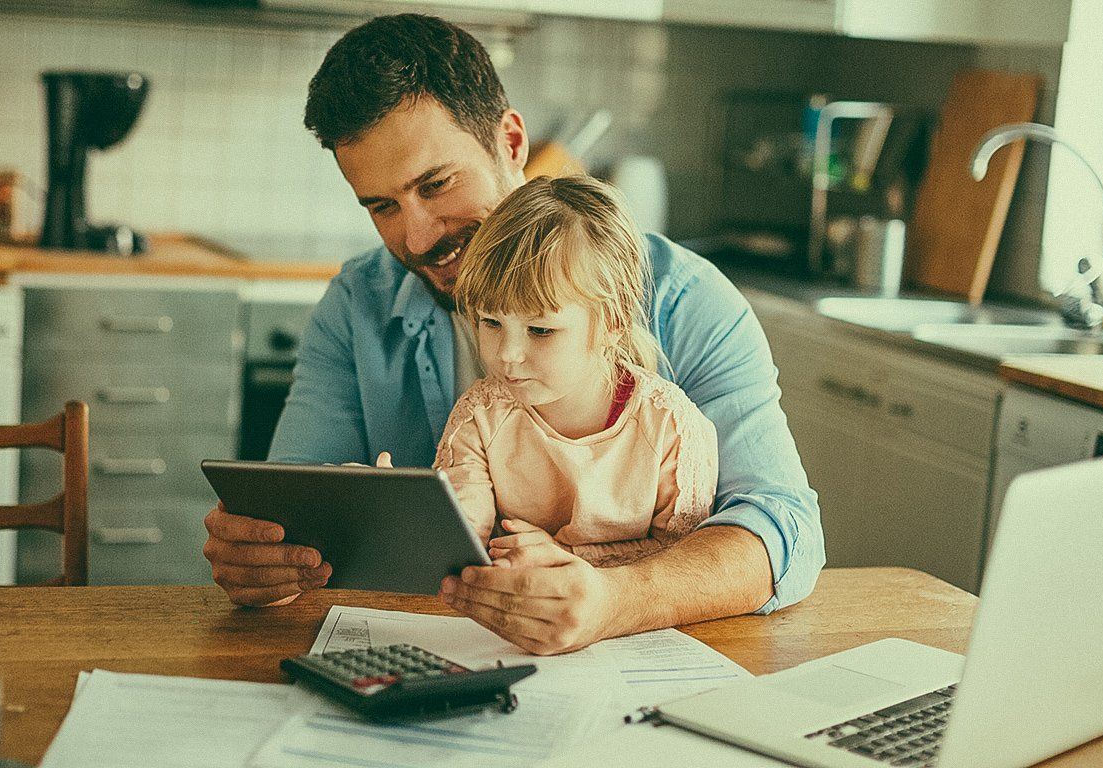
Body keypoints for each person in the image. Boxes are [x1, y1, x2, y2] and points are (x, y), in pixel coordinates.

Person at [203, 13, 824, 654]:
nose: (415, 239)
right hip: (429, 664)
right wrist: (263, 558)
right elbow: (296, 495)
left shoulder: (685, 301)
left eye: (436, 184)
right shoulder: (360, 303)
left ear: (511, 141)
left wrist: (614, 600)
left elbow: (783, 530)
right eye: (382, 206)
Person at [434, 175, 718, 575]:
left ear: (613, 322)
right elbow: (465, 528)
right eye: (490, 322)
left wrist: (563, 558)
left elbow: (680, 563)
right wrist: (415, 513)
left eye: (540, 330)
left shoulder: (669, 427)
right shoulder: (480, 416)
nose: (507, 355)